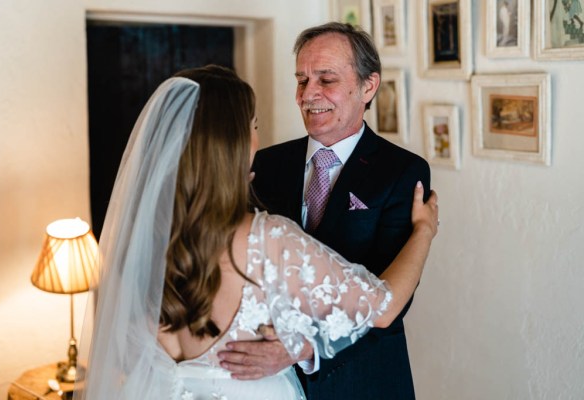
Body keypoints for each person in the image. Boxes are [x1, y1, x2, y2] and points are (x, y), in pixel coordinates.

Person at [73, 65, 438, 400]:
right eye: (254, 126)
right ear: (232, 144)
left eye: (326, 80)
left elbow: (122, 358)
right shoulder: (267, 238)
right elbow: (385, 307)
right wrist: (423, 230)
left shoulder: (134, 247)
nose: (257, 141)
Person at [218, 23, 431, 399]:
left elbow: (390, 301)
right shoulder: (264, 164)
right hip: (266, 383)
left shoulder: (402, 171)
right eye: (301, 80)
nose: (307, 94)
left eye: (326, 79)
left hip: (362, 382)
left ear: (368, 86)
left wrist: (304, 348)